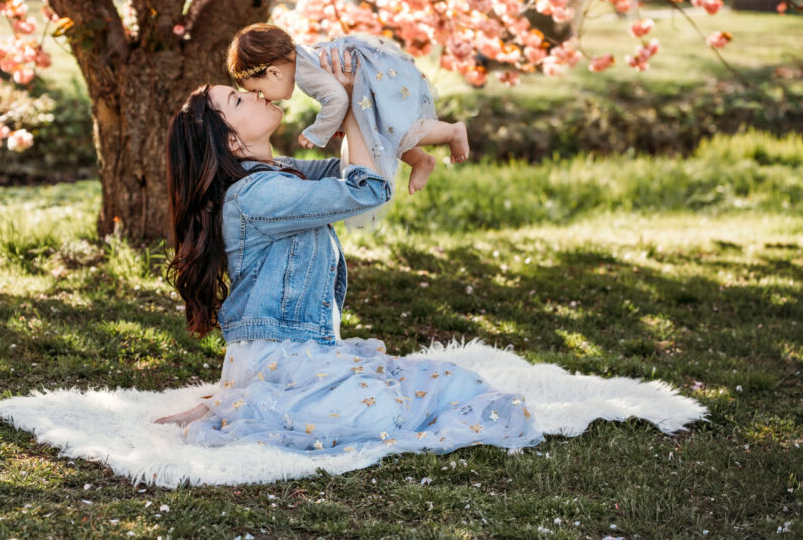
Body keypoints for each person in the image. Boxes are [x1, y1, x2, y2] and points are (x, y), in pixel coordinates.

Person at [156, 48, 542, 459]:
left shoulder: (273, 174)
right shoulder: (258, 194)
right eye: (237, 99)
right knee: (380, 416)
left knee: (453, 383)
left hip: (302, 354)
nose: (252, 92)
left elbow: (351, 171)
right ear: (231, 140)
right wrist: (353, 107)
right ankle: (239, 404)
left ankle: (238, 400)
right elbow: (368, 190)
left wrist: (346, 102)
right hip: (282, 360)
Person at [226, 24, 470, 205]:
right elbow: (339, 99)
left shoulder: (304, 73)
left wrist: (318, 132)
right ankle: (420, 160)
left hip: (373, 82)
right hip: (370, 82)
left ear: (274, 73)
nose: (264, 99)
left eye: (259, 91)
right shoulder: (304, 59)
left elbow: (338, 98)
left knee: (396, 127)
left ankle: (451, 132)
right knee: (379, 134)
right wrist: (338, 120)